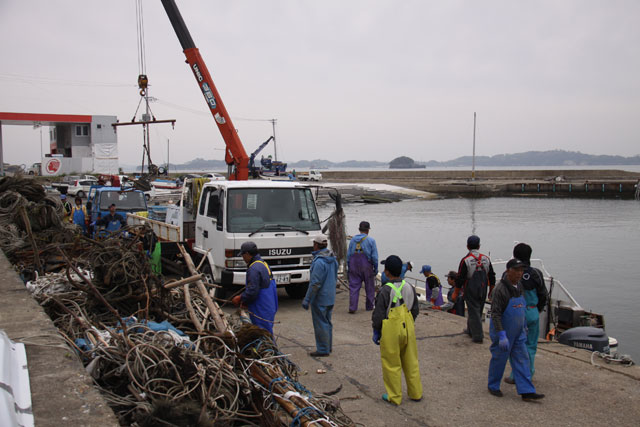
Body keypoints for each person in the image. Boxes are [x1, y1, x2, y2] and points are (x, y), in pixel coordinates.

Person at [488, 258, 544, 401]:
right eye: (517, 270)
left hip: (518, 332)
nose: (520, 273)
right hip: (504, 332)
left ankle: (527, 391)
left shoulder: (519, 286)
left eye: (521, 270)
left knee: (522, 359)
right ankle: (493, 385)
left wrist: (524, 326)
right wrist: (501, 334)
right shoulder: (500, 289)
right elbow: (495, 314)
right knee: (499, 359)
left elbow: (522, 307)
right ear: (508, 271)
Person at [372, 255, 422, 406]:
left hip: (391, 331)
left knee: (391, 363)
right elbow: (415, 310)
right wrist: (409, 323)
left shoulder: (385, 290)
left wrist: (376, 331)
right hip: (408, 328)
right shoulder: (410, 287)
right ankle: (416, 393)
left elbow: (379, 314)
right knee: (411, 361)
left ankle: (394, 396)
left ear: (386, 272)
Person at [504, 243, 548, 384]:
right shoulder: (536, 274)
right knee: (530, 345)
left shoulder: (509, 274)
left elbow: (502, 295)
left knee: (515, 345)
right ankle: (529, 371)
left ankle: (515, 375)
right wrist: (536, 309)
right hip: (532, 311)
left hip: (515, 313)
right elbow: (543, 295)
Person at [453, 235, 496, 343]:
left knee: (473, 311)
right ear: (479, 246)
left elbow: (460, 278)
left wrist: (455, 292)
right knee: (478, 309)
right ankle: (470, 329)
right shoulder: (486, 259)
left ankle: (478, 335)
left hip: (471, 288)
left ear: (467, 246)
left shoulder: (466, 260)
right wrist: (491, 290)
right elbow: (491, 276)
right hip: (483, 288)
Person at [302, 234, 338, 357]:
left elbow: (315, 284)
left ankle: (323, 349)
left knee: (320, 323)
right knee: (327, 321)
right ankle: (328, 346)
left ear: (316, 245)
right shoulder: (333, 259)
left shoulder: (319, 262)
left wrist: (307, 299)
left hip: (320, 298)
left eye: (314, 244)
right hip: (330, 296)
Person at [232, 241, 278, 335]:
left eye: (243, 255)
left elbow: (252, 291)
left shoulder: (253, 269)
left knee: (262, 334)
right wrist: (246, 302)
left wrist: (241, 298)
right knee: (267, 332)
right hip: (270, 304)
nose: (243, 258)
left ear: (248, 254)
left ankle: (270, 350)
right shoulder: (263, 263)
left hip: (261, 308)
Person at [346, 221, 379, 313]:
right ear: (368, 230)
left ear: (359, 230)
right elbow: (375, 257)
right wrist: (375, 269)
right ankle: (369, 306)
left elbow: (348, 256)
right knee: (369, 287)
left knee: (354, 287)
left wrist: (349, 267)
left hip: (353, 265)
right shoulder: (371, 240)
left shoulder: (352, 240)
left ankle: (352, 308)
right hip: (366, 266)